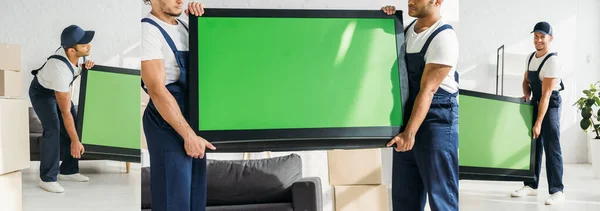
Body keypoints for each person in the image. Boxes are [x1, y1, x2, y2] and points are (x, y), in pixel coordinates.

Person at [382, 0, 460, 210]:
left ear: (437, 2)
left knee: (441, 198)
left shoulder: (444, 37)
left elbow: (428, 90)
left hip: (437, 123)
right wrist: (385, 22)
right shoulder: (405, 31)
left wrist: (410, 133)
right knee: (404, 197)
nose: (410, 1)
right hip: (409, 122)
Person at [141, 0, 215, 210]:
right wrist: (188, 135)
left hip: (191, 120)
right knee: (174, 200)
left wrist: (203, 19)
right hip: (166, 122)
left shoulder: (184, 25)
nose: (180, 0)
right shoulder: (148, 30)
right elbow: (157, 91)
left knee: (194, 200)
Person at [28, 25, 96, 193]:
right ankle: (47, 178)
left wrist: (84, 67)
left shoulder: (72, 54)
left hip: (57, 89)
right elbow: (64, 112)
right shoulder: (59, 70)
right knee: (53, 128)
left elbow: (75, 69)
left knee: (75, 125)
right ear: (71, 50)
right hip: (42, 94)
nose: (89, 46)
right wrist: (75, 141)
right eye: (84, 44)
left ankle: (69, 170)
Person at [510, 21, 565, 205]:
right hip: (536, 101)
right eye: (536, 36)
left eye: (542, 37)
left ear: (550, 38)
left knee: (551, 145)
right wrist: (526, 93)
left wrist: (539, 122)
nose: (538, 40)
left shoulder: (552, 61)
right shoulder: (530, 57)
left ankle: (557, 191)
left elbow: (547, 94)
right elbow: (526, 80)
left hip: (550, 104)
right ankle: (531, 186)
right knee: (533, 145)